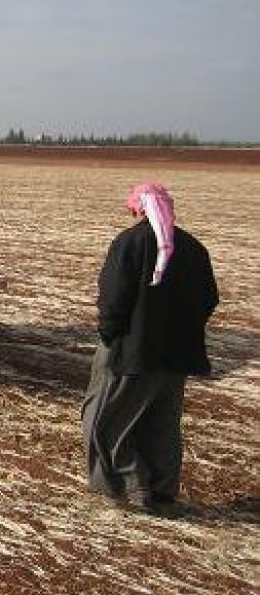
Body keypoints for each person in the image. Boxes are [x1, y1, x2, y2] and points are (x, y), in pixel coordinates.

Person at [81, 182, 218, 515]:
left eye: (132, 208)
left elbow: (113, 299)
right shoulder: (194, 248)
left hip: (132, 354)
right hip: (177, 357)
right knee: (162, 425)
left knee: (105, 421)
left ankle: (132, 489)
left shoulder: (130, 243)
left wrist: (108, 335)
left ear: (139, 209)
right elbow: (209, 299)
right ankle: (162, 492)